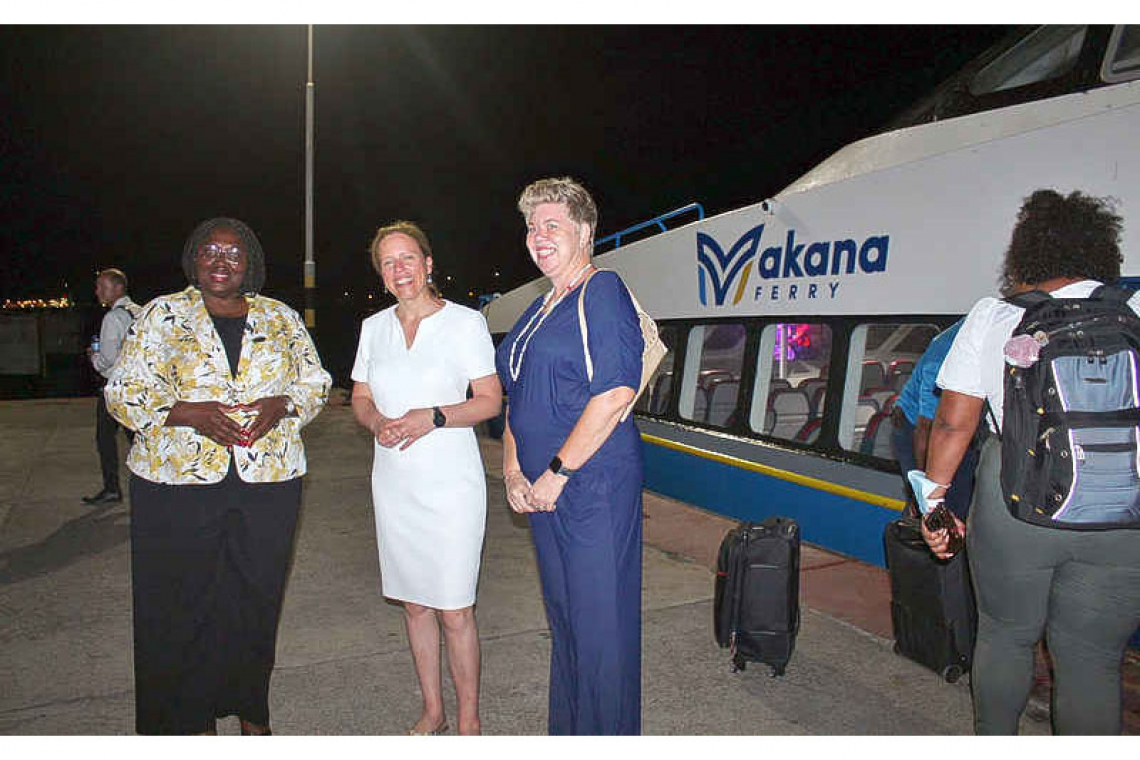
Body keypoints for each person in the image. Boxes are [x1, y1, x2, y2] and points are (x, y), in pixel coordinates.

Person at [922, 189, 1140, 734]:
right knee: (1093, 661)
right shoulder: (1135, 313)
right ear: (1101, 251)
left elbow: (954, 422)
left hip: (1013, 502)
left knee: (1005, 634)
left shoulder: (993, 316)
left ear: (1026, 257)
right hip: (1124, 514)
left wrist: (933, 502)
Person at [104, 217, 330, 735]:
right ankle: (191, 717)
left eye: (233, 253)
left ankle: (252, 709)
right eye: (209, 251)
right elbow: (122, 393)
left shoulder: (280, 316)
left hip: (268, 482)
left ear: (250, 261)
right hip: (176, 485)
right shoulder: (162, 314)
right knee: (184, 601)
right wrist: (187, 412)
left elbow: (316, 380)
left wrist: (284, 402)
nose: (221, 261)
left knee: (255, 597)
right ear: (193, 259)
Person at [494, 177, 645, 735]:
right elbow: (518, 400)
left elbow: (615, 394)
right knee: (568, 623)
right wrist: (512, 471)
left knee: (601, 629)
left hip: (591, 487)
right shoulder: (539, 309)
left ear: (584, 231)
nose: (539, 236)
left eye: (552, 224)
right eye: (532, 227)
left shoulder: (601, 292)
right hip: (541, 492)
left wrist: (557, 472)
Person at [350, 221, 501, 736]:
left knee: (455, 609)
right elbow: (361, 398)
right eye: (389, 263)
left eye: (408, 258)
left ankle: (468, 721)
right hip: (394, 481)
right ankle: (433, 710)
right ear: (381, 274)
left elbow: (489, 400)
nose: (400, 270)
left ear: (428, 264)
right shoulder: (374, 328)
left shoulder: (464, 323)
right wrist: (376, 423)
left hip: (451, 484)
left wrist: (431, 417)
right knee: (415, 604)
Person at [890, 318, 978, 519]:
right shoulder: (942, 358)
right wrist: (924, 488)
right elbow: (925, 429)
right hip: (912, 428)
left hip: (960, 425)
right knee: (937, 505)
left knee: (962, 497)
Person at [83, 268, 141, 505]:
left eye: (101, 286)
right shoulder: (139, 311)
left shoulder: (112, 317)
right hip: (135, 387)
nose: (97, 291)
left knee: (105, 440)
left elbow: (106, 359)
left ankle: (111, 489)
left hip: (114, 388)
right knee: (138, 439)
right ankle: (157, 484)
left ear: (117, 288)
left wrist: (93, 357)